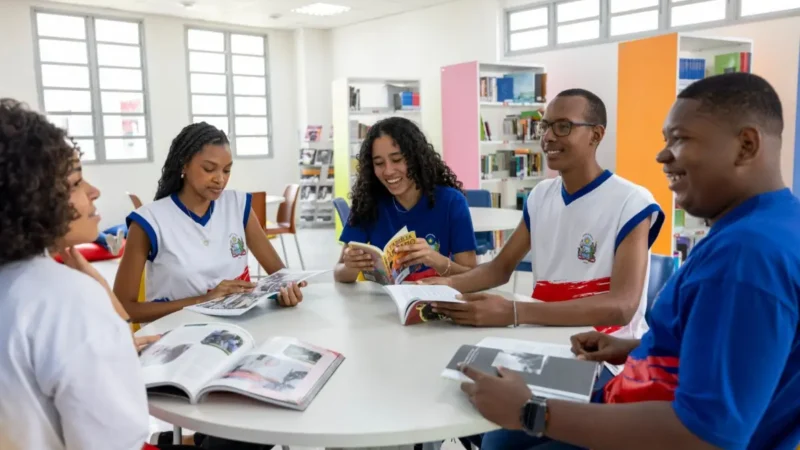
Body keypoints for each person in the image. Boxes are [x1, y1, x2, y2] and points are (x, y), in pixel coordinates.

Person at [460, 73, 800, 450]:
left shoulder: (746, 257)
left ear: (746, 145)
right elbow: (734, 353)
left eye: (681, 140)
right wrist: (634, 346)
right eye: (665, 140)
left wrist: (532, 411)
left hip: (656, 425)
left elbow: (705, 436)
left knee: (499, 439)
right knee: (500, 440)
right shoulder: (768, 225)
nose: (662, 155)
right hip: (637, 384)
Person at [0, 98, 187, 450]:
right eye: (75, 182)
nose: (93, 191)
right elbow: (119, 439)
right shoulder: (63, 298)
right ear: (28, 195)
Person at [423, 89, 663, 338]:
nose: (548, 137)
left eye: (563, 127)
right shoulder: (540, 195)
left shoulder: (632, 202)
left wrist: (515, 312)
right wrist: (444, 285)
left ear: (596, 134)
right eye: (545, 126)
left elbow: (622, 307)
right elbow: (499, 269)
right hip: (545, 335)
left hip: (608, 350)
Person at [114, 122, 305, 324]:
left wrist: (284, 293)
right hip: (177, 338)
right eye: (209, 169)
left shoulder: (238, 207)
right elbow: (122, 308)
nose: (220, 180)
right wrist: (202, 301)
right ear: (184, 164)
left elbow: (279, 275)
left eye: (227, 171)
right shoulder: (150, 221)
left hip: (240, 332)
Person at [334, 116, 478, 283]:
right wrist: (351, 266)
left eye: (397, 160)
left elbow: (472, 278)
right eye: (379, 163)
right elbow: (339, 272)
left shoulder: (452, 202)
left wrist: (435, 259)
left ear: (416, 158)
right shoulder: (368, 202)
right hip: (382, 303)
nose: (388, 171)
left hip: (436, 303)